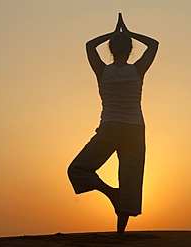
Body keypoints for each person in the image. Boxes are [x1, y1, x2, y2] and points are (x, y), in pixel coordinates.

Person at [67, 13, 159, 237]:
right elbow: (154, 44)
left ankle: (110, 193)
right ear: (129, 50)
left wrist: (113, 33)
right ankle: (120, 232)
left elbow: (89, 45)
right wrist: (128, 33)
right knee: (130, 181)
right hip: (135, 130)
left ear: (110, 49)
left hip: (110, 128)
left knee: (77, 169)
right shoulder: (137, 70)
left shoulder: (103, 71)